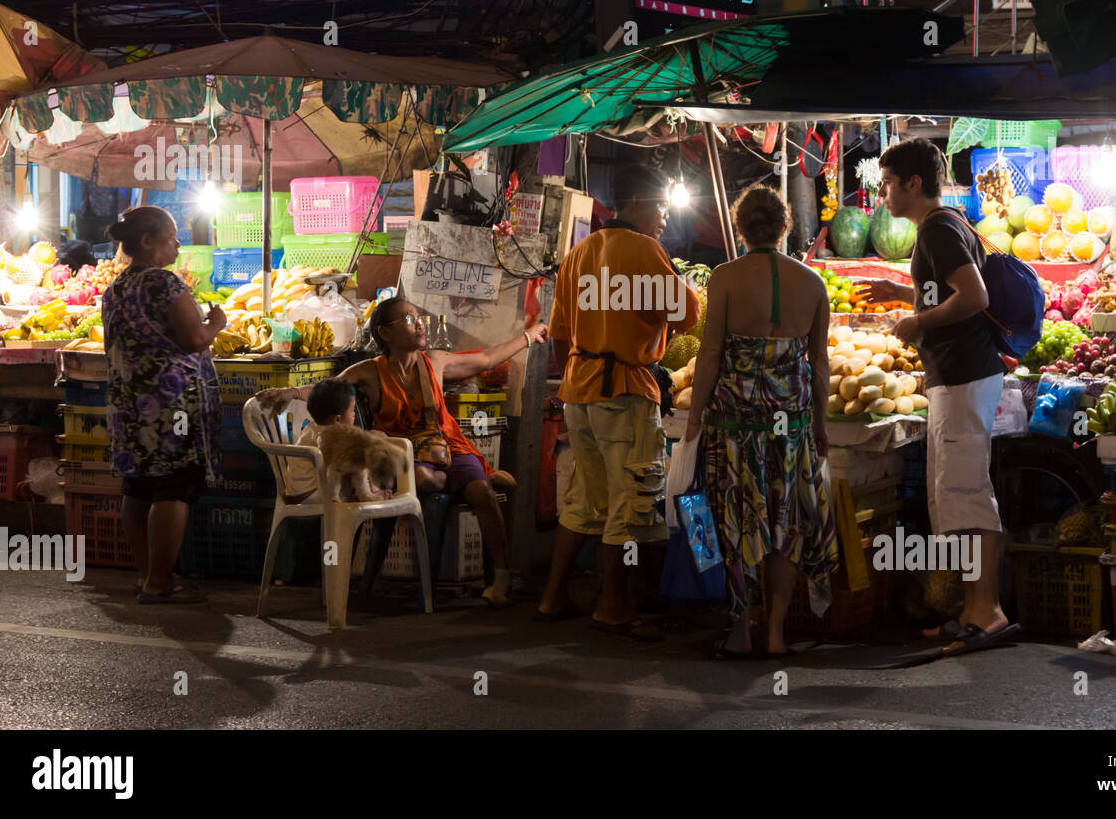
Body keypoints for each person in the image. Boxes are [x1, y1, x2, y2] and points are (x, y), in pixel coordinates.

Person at [258, 298, 548, 607]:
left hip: (446, 447)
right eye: (408, 320)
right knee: (423, 477)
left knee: (483, 494)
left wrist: (529, 336)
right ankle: (458, 482)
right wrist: (291, 393)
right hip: (400, 455)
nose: (419, 323)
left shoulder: (435, 362)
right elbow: (328, 389)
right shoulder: (369, 372)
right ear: (385, 333)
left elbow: (487, 358)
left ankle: (501, 579)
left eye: (417, 317)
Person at [865, 137, 1017, 654]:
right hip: (958, 375)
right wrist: (902, 293)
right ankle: (974, 609)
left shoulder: (937, 230)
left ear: (912, 183)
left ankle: (987, 612)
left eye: (888, 184)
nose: (883, 193)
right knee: (957, 492)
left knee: (967, 492)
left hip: (963, 374)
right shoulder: (945, 225)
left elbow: (975, 297)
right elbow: (950, 291)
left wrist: (915, 322)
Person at [536, 164, 700, 641]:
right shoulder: (646, 250)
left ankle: (552, 596)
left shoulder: (580, 252)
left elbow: (561, 332)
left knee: (585, 500)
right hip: (625, 392)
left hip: (578, 390)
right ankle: (613, 606)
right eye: (661, 207)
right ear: (633, 204)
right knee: (629, 503)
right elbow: (686, 315)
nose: (665, 218)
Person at [684, 183, 839, 659]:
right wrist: (820, 426)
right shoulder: (812, 283)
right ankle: (774, 633)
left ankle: (739, 631)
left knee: (736, 523)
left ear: (739, 226)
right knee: (785, 524)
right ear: (785, 225)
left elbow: (709, 356)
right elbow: (819, 363)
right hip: (790, 428)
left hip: (734, 427)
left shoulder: (725, 278)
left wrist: (693, 420)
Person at [102, 206, 224, 604]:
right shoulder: (163, 283)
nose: (178, 243)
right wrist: (217, 324)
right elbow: (193, 338)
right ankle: (160, 582)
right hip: (172, 407)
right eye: (171, 237)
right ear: (148, 242)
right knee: (173, 486)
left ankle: (146, 575)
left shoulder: (116, 287)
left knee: (138, 486)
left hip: (131, 405)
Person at [281, 378, 374, 504]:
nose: (354, 415)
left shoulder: (312, 428)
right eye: (352, 410)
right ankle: (368, 495)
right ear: (337, 420)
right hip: (308, 497)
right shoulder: (326, 435)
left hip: (300, 493)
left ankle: (364, 495)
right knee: (356, 465)